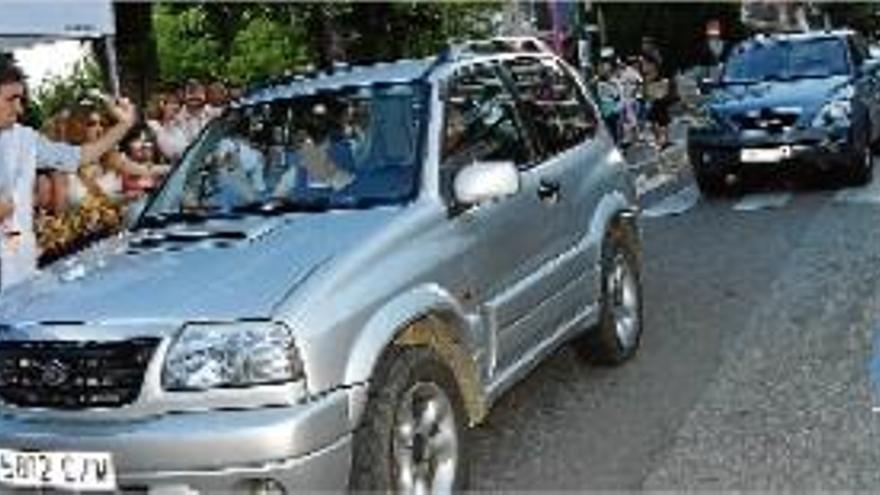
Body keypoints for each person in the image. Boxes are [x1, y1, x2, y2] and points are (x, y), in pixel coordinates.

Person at [0, 58, 136, 289]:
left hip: (21, 275)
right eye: (11, 99)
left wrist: (123, 126)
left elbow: (80, 156)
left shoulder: (24, 138)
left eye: (21, 99)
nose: (20, 109)